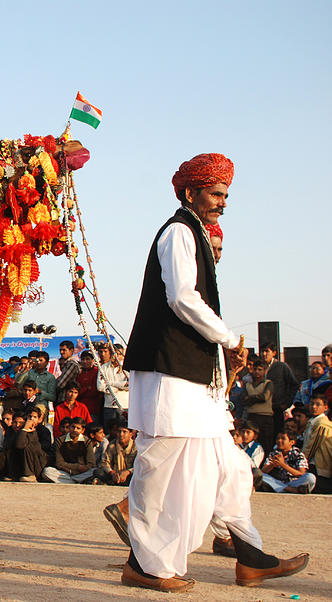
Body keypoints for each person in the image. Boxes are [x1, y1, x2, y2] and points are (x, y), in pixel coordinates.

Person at [119, 153, 307, 591]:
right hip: (169, 374)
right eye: (216, 193)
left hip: (194, 378)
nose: (223, 202)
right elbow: (183, 298)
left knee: (229, 470)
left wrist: (224, 356)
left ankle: (251, 556)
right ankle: (144, 564)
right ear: (191, 192)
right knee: (160, 471)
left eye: (226, 195)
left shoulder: (196, 235)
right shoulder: (178, 232)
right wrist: (230, 339)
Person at [41, 417, 95, 484]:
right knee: (47, 471)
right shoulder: (60, 440)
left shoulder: (87, 441)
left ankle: (71, 481)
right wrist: (77, 467)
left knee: (94, 471)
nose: (74, 430)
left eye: (78, 428)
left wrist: (83, 469)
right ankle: (76, 481)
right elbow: (59, 463)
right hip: (65, 472)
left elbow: (91, 463)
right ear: (69, 428)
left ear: (82, 430)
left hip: (82, 473)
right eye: (73, 427)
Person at [261, 343, 299, 439]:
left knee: (276, 435)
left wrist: (287, 403)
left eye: (267, 351)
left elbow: (294, 384)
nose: (264, 354)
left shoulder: (281, 366)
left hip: (276, 408)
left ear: (274, 353)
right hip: (261, 409)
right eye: (262, 351)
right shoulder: (259, 367)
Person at [243, 359, 275, 452]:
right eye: (255, 369)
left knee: (266, 443)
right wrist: (255, 398)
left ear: (265, 371)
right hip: (252, 416)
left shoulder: (268, 383)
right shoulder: (248, 384)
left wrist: (250, 398)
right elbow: (243, 399)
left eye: (260, 369)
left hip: (265, 417)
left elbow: (265, 397)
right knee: (251, 442)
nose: (257, 372)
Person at [97, 345, 129, 428]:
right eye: (114, 353)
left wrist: (110, 383)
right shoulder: (103, 367)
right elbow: (100, 387)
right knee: (109, 431)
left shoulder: (126, 368)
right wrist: (119, 387)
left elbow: (129, 386)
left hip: (124, 405)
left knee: (124, 430)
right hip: (109, 405)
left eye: (119, 354)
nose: (116, 356)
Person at [76, 350, 103, 424]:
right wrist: (87, 389)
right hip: (81, 409)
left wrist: (83, 390)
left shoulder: (97, 372)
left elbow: (95, 391)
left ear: (93, 360)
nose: (85, 361)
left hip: (94, 409)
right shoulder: (79, 374)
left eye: (87, 359)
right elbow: (77, 391)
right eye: (83, 359)